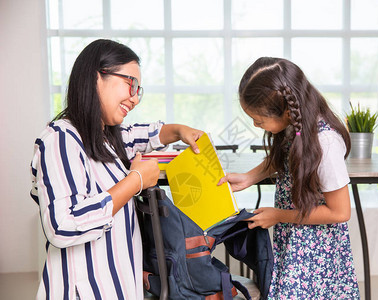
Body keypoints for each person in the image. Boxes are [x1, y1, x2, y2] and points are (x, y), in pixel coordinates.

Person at [30, 39, 203, 299]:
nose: (134, 99)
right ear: (96, 77)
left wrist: (179, 130)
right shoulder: (60, 139)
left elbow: (146, 134)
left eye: (138, 91)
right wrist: (135, 181)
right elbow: (62, 226)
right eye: (130, 84)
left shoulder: (104, 138)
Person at [219, 57, 360, 299]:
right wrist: (249, 177)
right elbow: (282, 157)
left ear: (285, 110)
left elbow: (340, 212)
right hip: (296, 239)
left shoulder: (325, 142)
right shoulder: (295, 123)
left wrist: (279, 215)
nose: (255, 124)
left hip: (316, 253)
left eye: (260, 121)